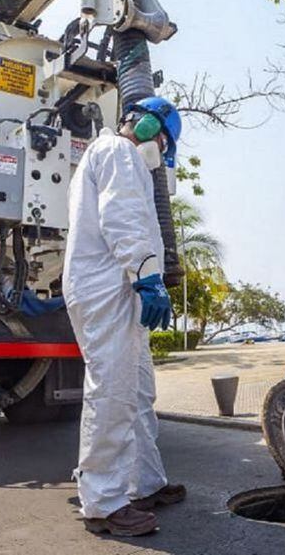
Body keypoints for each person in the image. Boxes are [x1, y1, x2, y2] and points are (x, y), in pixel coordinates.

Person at [62, 96, 187, 537]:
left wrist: (143, 277)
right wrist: (147, 277)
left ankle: (144, 483)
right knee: (112, 392)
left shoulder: (110, 154)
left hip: (116, 287)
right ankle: (104, 502)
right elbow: (124, 219)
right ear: (152, 127)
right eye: (166, 140)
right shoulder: (118, 151)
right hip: (108, 288)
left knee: (137, 391)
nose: (163, 152)